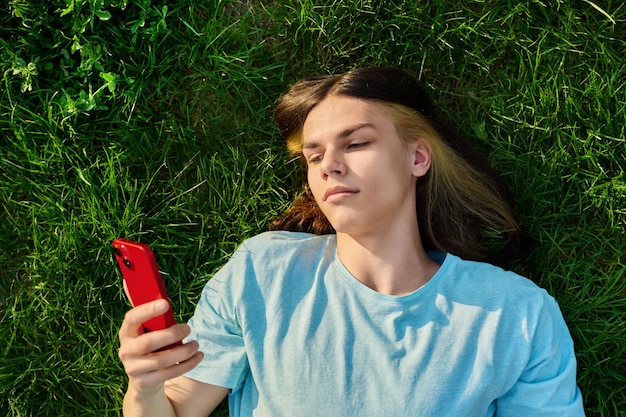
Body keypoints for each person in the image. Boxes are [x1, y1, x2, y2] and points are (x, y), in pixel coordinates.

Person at [118, 67, 585, 416]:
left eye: (356, 143)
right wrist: (146, 385)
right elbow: (178, 407)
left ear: (417, 155)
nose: (328, 166)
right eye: (314, 154)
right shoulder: (262, 275)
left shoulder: (516, 315)